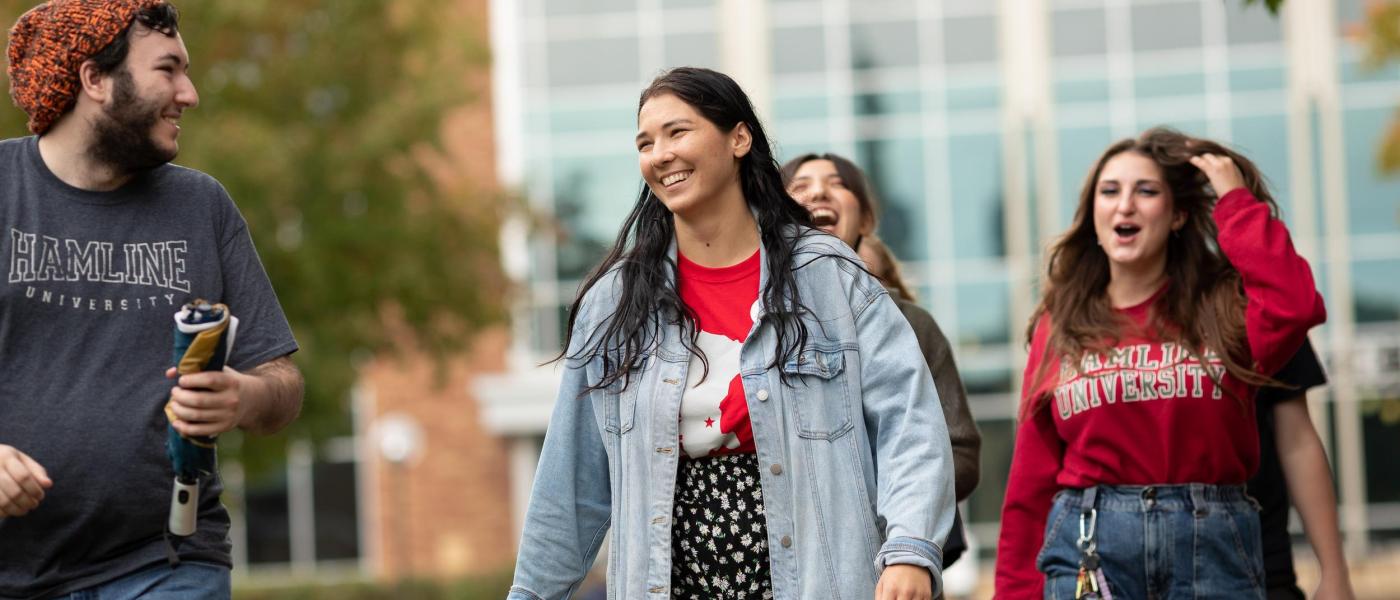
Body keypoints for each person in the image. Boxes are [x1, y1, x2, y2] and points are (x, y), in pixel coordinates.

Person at [507, 67, 956, 600]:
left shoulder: (831, 278)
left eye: (678, 132)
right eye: (645, 143)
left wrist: (910, 549)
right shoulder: (614, 304)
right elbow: (570, 486)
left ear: (739, 138)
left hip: (815, 580)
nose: (660, 154)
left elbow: (910, 424)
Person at [0, 2, 303, 598]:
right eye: (168, 69)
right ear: (95, 79)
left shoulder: (202, 206)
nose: (188, 94)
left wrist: (243, 397)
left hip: (165, 564)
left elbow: (282, 383)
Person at [995, 128, 1327, 598]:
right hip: (1088, 547)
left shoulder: (1226, 309)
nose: (1124, 205)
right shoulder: (1059, 325)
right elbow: (1031, 481)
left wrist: (1234, 199)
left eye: (1146, 191)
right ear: (1093, 214)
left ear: (1178, 216)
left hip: (1213, 546)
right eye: (1109, 192)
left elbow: (1297, 305)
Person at [780, 153, 981, 569]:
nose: (818, 191)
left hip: (894, 568)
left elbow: (960, 454)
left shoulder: (913, 325)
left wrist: (879, 502)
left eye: (837, 183)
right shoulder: (753, 325)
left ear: (867, 221)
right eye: (800, 185)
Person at [1249, 341, 1355, 599]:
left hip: (1262, 564)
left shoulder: (1261, 305)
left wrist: (1334, 573)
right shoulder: (1130, 322)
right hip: (1135, 571)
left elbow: (1298, 442)